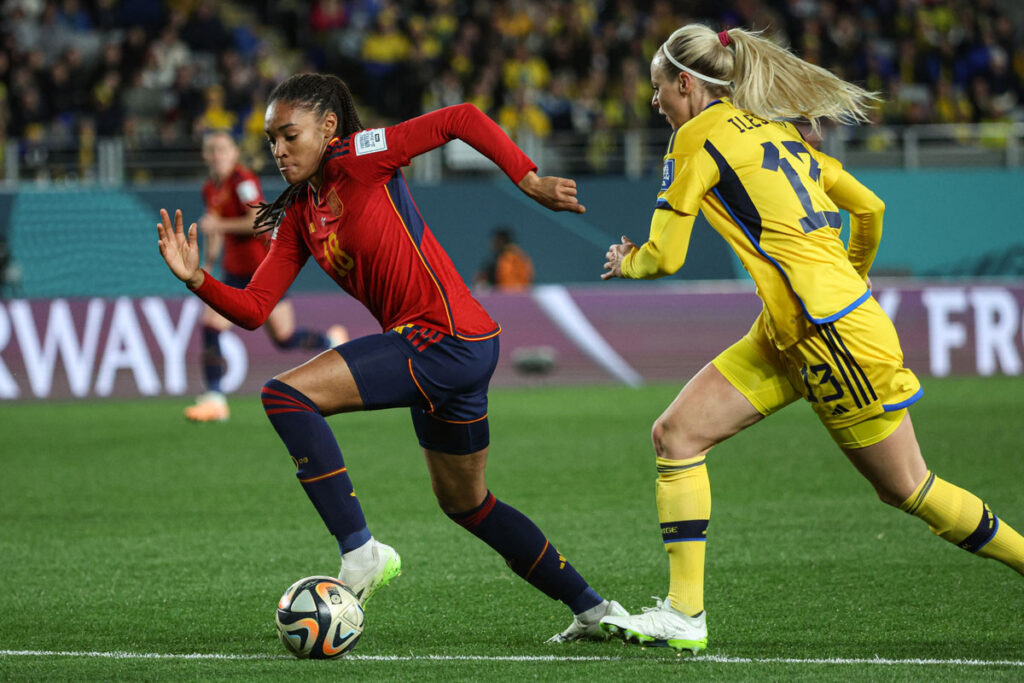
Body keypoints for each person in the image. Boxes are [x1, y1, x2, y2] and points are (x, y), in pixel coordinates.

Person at [598, 25, 1024, 654]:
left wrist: (628, 260)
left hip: (830, 337)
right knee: (677, 435)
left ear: (685, 83)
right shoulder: (774, 131)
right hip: (792, 328)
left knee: (908, 488)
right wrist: (853, 271)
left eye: (658, 87)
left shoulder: (696, 137)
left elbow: (665, 258)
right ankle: (685, 615)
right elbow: (871, 208)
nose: (654, 101)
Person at [156, 73, 625, 641]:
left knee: (285, 396)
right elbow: (255, 308)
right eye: (271, 141)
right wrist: (197, 279)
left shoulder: (362, 155)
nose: (278, 151)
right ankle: (594, 610)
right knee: (468, 503)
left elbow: (461, 118)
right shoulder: (299, 214)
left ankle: (361, 553)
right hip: (444, 349)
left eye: (289, 136)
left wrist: (527, 179)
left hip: (446, 337)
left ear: (329, 127)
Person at [186, 129, 348, 422]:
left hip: (264, 270)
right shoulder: (211, 187)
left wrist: (219, 227)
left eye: (222, 149)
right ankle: (214, 399)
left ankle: (329, 341)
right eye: (212, 150)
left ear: (234, 153)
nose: (217, 155)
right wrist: (209, 262)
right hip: (235, 273)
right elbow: (214, 226)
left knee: (284, 338)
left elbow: (259, 222)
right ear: (205, 156)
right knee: (210, 325)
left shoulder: (243, 181)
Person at [474, 227, 535, 292]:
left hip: (511, 296)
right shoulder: (520, 257)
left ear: (502, 241)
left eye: (496, 241)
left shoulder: (514, 258)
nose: (493, 244)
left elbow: (511, 282)